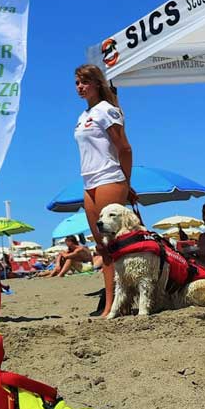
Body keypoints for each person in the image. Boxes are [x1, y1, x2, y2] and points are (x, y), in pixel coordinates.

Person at [73, 64, 135, 318]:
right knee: (102, 247)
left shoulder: (106, 111)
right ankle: (111, 303)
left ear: (97, 83)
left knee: (117, 243)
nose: (79, 87)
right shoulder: (83, 115)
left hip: (110, 177)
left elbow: (125, 148)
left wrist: (127, 183)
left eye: (84, 82)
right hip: (89, 182)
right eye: (77, 83)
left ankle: (121, 302)